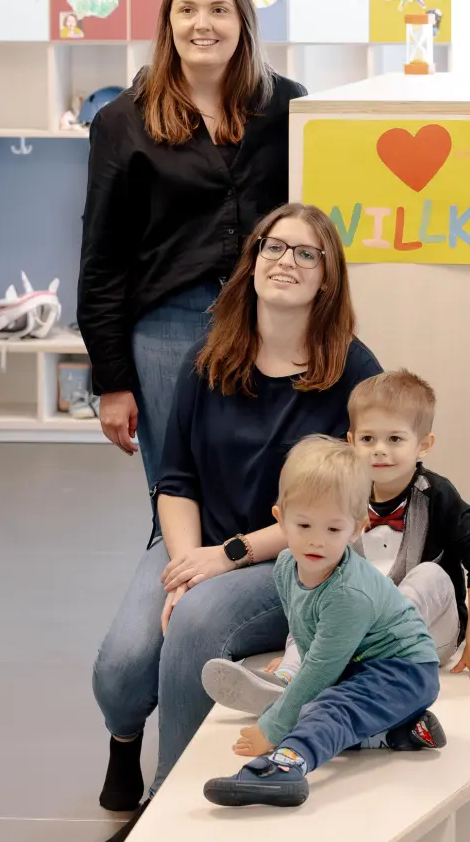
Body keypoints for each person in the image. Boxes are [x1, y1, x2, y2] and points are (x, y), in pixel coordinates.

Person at [89, 203, 382, 822]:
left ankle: (167, 806)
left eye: (307, 253)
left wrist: (221, 562)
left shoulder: (353, 372)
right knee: (120, 668)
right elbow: (175, 481)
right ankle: (124, 743)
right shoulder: (209, 358)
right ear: (251, 263)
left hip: (295, 559)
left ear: (328, 279)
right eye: (274, 248)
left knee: (195, 621)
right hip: (194, 543)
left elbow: (345, 507)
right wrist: (185, 563)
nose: (286, 262)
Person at [78, 0, 307, 512]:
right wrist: (111, 381)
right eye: (187, 10)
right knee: (179, 483)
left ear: (243, 22)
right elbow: (102, 258)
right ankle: (186, 587)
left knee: (273, 479)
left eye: (218, 9)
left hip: (268, 319)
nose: (202, 24)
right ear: (169, 23)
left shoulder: (288, 105)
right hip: (168, 327)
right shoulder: (122, 121)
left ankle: (256, 592)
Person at [202, 369, 470, 715]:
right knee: (303, 567)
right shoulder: (342, 494)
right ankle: (287, 682)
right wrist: (302, 642)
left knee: (430, 575)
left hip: (417, 636)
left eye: (395, 439)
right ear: (351, 441)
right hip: (348, 631)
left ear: (423, 444)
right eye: (368, 439)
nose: (379, 450)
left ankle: (335, 673)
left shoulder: (436, 495)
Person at [202, 435, 447, 809]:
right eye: (304, 526)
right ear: (280, 519)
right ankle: (401, 732)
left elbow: (319, 671)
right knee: (325, 701)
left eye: (333, 530)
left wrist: (272, 731)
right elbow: (304, 628)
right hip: (361, 666)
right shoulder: (286, 566)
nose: (316, 541)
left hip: (405, 671)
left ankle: (287, 765)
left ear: (357, 528)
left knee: (329, 707)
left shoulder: (349, 593)